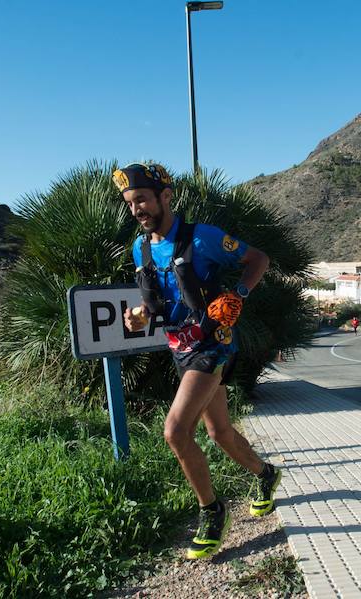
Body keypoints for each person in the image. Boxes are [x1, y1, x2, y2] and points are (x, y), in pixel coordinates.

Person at [116, 163, 282, 560]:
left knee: (175, 431)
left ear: (165, 197)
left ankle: (212, 512)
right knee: (219, 431)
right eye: (129, 203)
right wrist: (139, 315)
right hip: (180, 347)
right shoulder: (140, 248)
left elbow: (258, 259)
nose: (136, 208)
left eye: (142, 199)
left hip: (214, 343)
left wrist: (238, 294)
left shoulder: (202, 237)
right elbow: (155, 301)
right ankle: (266, 474)